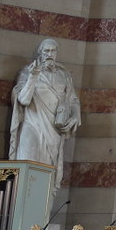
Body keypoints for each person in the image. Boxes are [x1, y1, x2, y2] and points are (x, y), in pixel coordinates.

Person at [9, 38, 81, 189]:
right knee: (26, 164)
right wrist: (33, 77)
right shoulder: (28, 72)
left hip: (54, 130)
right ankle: (21, 205)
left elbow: (73, 100)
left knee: (47, 171)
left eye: (52, 51)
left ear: (56, 53)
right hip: (32, 125)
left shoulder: (64, 76)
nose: (49, 54)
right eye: (46, 51)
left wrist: (75, 115)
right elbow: (23, 99)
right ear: (40, 53)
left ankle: (41, 210)